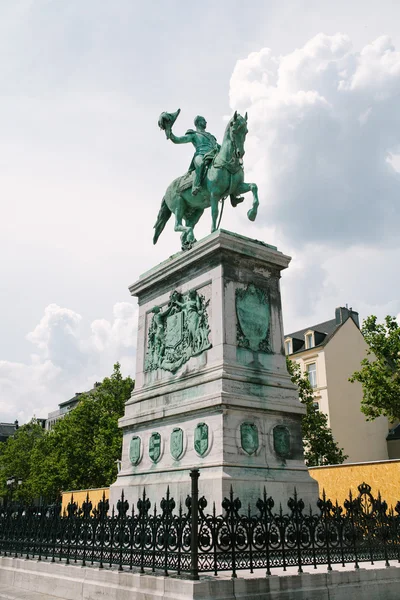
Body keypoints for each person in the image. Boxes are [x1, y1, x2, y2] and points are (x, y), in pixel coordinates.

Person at [167, 116, 220, 196]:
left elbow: (219, 147)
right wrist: (169, 132)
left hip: (213, 156)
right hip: (200, 155)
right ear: (198, 123)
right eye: (204, 120)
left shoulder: (211, 137)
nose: (206, 122)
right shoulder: (194, 135)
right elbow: (178, 140)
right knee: (201, 163)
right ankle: (196, 186)